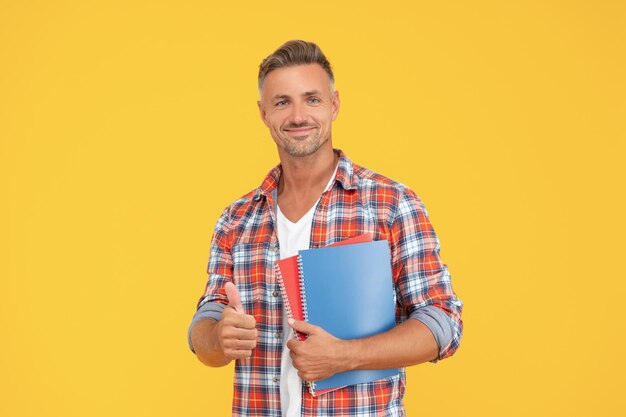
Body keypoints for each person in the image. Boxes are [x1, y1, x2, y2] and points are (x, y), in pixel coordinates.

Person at [188, 40, 463, 417]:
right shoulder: (236, 220)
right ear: (263, 113)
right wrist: (218, 337)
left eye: (312, 99)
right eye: (282, 102)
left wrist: (345, 356)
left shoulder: (390, 204)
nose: (298, 116)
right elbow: (204, 327)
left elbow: (442, 323)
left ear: (334, 104)